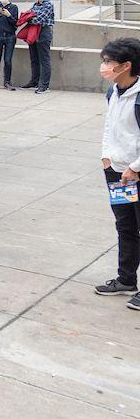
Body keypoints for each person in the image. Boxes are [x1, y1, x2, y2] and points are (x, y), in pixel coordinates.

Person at [94, 38, 140, 310]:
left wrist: (136, 167)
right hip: (117, 173)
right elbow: (109, 127)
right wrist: (106, 157)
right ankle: (126, 279)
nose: (104, 66)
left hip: (135, 173)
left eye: (109, 62)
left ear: (126, 65)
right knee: (125, 226)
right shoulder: (113, 91)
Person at [23, 0, 55, 93]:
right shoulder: (34, 5)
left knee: (44, 60)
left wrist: (29, 18)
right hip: (33, 33)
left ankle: (44, 86)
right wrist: (29, 17)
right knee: (34, 59)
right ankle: (34, 81)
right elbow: (28, 17)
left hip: (44, 33)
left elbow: (39, 19)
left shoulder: (48, 5)